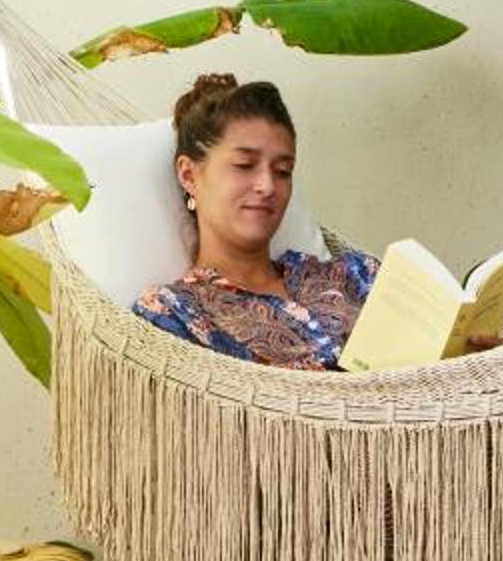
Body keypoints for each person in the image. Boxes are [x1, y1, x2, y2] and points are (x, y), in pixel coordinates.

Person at [134, 73, 377, 369]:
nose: (268, 186)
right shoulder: (174, 316)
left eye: (283, 171)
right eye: (245, 165)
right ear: (189, 175)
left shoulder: (356, 275)